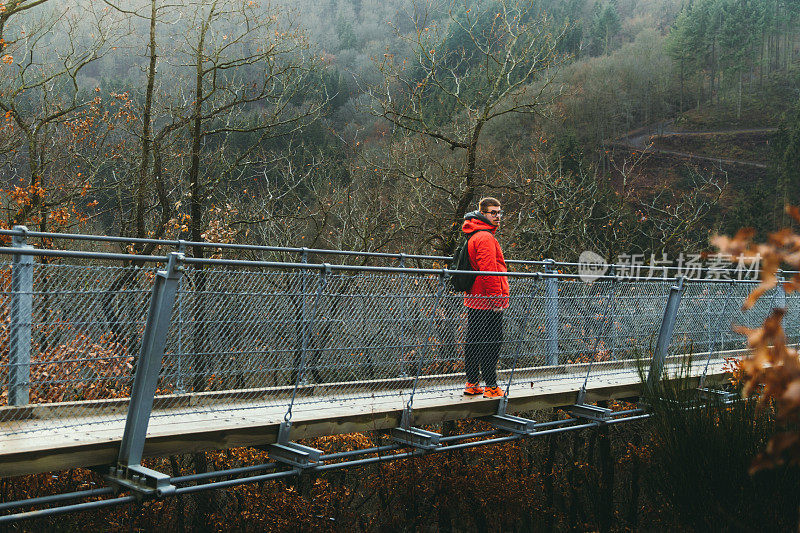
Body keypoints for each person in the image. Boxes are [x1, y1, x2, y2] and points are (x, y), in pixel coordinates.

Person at [461, 197, 509, 399]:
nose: (498, 216)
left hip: (475, 296)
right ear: (483, 213)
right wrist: (497, 300)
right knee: (492, 341)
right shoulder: (485, 238)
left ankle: (472, 383)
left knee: (474, 339)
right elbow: (490, 272)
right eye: (493, 213)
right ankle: (491, 386)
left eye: (499, 212)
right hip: (488, 299)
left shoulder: (474, 234)